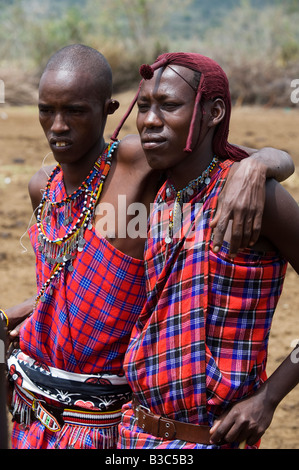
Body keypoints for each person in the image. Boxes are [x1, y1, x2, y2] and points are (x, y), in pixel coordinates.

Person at [3, 45, 294, 450]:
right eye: (145, 107)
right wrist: (34, 308)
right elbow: (85, 283)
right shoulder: (156, 203)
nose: (57, 127)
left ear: (107, 110)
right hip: (112, 425)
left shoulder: (175, 178)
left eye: (169, 105)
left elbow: (254, 157)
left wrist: (260, 164)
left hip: (176, 428)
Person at [113, 52, 299, 449]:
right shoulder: (156, 191)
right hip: (135, 432)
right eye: (143, 106)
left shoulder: (254, 196)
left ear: (214, 112)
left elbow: (268, 161)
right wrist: (265, 158)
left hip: (210, 438)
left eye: (169, 105)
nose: (149, 120)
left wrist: (270, 397)